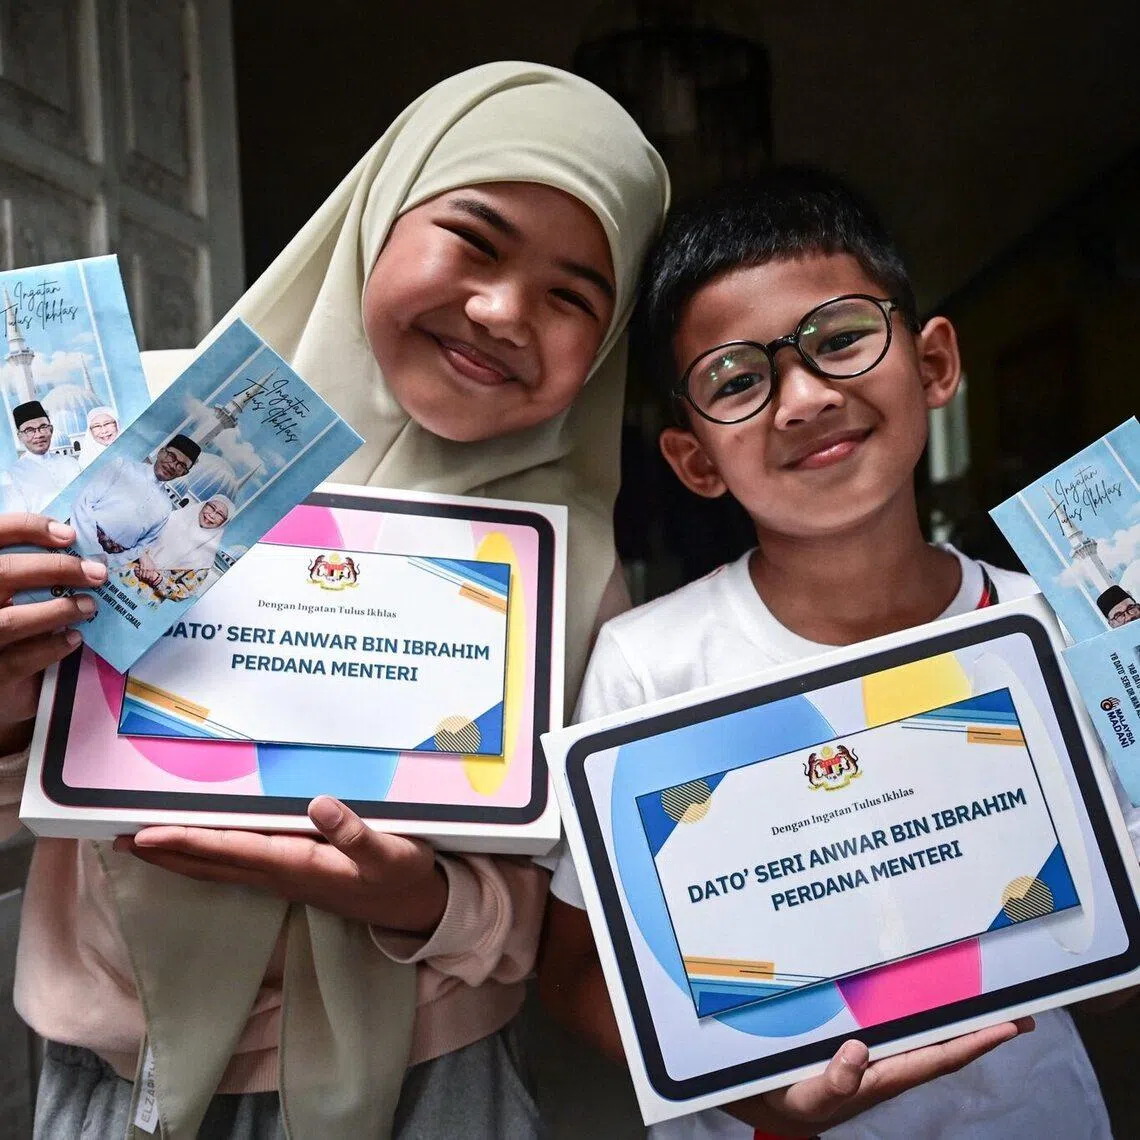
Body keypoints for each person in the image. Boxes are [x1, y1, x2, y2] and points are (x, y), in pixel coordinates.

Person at [1, 62, 669, 1140]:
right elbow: (28, 801)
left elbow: (545, 919)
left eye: (572, 296)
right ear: (376, 214)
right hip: (125, 1065)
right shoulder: (136, 463)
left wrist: (415, 898)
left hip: (430, 1078)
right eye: (475, 240)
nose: (502, 311)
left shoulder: (575, 575)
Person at [539, 167, 1140, 1140]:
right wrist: (754, 1095)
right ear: (694, 458)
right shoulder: (649, 665)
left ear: (936, 363)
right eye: (736, 380)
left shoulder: (1067, 629)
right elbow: (574, 972)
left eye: (843, 338)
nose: (805, 397)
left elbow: (1108, 969)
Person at [69, 433, 200, 565]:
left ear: (183, 473)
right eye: (171, 456)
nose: (172, 466)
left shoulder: (166, 507)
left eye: (181, 466)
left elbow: (144, 545)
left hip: (107, 563)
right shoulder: (122, 467)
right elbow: (84, 503)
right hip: (78, 541)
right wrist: (93, 549)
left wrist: (110, 561)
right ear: (161, 452)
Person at [129, 494, 232, 603]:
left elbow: (185, 592)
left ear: (224, 522)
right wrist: (143, 557)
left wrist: (156, 578)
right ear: (203, 505)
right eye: (211, 507)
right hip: (120, 575)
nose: (212, 514)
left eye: (220, 514)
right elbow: (130, 534)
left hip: (143, 602)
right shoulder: (168, 519)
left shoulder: (205, 560)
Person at [0, 400, 81, 512]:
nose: (38, 435)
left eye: (43, 427)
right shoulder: (12, 476)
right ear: (20, 437)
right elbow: (21, 521)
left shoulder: (70, 463)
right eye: (29, 430)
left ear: (51, 430)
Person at [77, 406, 120, 470]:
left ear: (117, 424)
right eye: (96, 426)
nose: (104, 431)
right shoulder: (85, 461)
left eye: (107, 423)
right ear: (90, 431)